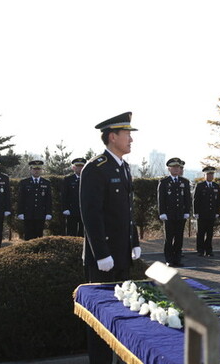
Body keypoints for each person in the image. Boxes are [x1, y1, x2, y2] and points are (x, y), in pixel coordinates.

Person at [80, 111, 141, 364]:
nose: (131, 139)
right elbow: (91, 214)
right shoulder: (96, 168)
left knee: (121, 312)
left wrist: (134, 241)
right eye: (127, 134)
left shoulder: (123, 167)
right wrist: (101, 253)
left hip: (122, 254)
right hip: (103, 259)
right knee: (101, 318)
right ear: (112, 136)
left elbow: (127, 211)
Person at [157, 157, 191, 267]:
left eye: (178, 167)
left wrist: (187, 211)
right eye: (174, 167)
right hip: (168, 215)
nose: (176, 169)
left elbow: (187, 198)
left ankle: (177, 259)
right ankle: (169, 259)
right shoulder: (164, 182)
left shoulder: (184, 182)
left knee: (179, 238)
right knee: (169, 238)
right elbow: (161, 199)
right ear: (169, 169)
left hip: (180, 214)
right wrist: (162, 212)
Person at [17, 160, 52, 240]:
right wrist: (20, 212)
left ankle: (38, 252)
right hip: (28, 214)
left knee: (39, 236)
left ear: (41, 170)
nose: (36, 171)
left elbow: (48, 200)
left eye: (38, 169)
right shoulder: (24, 182)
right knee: (28, 236)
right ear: (30, 169)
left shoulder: (46, 183)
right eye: (34, 169)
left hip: (40, 214)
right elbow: (21, 199)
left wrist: (48, 213)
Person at [193, 166, 220, 257]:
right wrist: (195, 212)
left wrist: (217, 212)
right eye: (208, 174)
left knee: (209, 233)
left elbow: (218, 201)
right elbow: (195, 200)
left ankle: (208, 250)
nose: (210, 176)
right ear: (204, 175)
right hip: (202, 213)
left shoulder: (216, 186)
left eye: (212, 174)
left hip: (211, 213)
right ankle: (200, 250)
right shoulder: (200, 186)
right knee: (201, 233)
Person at [62, 157, 86, 236]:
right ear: (73, 167)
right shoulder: (68, 179)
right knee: (71, 232)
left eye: (81, 166)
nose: (79, 168)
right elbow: (64, 195)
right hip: (71, 210)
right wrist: (65, 208)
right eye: (77, 166)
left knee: (83, 233)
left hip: (84, 210)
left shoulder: (88, 179)